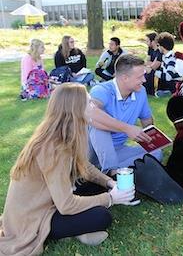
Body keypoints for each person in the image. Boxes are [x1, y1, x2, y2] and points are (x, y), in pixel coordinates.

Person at [0, 83, 135, 255]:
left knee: (97, 185)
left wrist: (109, 183)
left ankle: (77, 229)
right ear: (75, 110)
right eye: (88, 103)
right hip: (35, 217)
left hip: (51, 201)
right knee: (102, 216)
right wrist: (110, 199)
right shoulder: (54, 148)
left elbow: (85, 166)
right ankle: (74, 231)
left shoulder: (63, 134)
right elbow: (66, 205)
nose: (93, 106)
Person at [88, 54, 162, 175]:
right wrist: (127, 129)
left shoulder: (140, 92)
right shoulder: (101, 90)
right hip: (91, 151)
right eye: (140, 77)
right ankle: (111, 172)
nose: (144, 80)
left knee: (156, 153)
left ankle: (110, 171)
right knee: (98, 124)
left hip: (117, 150)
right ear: (124, 78)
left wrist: (155, 139)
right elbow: (90, 113)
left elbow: (147, 120)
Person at [154, 32, 181, 97]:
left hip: (174, 82)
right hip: (168, 81)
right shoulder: (165, 56)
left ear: (162, 46)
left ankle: (170, 92)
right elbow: (162, 71)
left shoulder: (171, 58)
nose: (158, 48)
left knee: (162, 77)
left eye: (158, 45)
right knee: (160, 77)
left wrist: (154, 72)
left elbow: (168, 77)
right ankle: (160, 91)